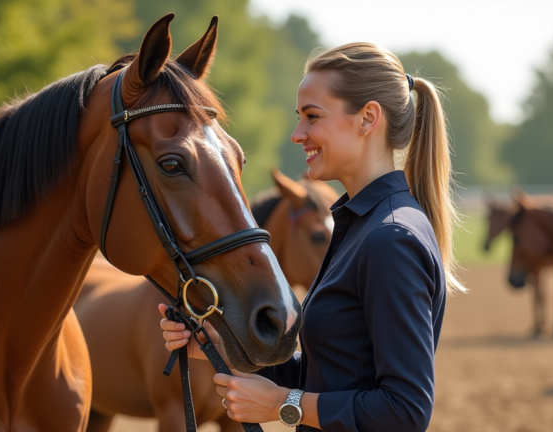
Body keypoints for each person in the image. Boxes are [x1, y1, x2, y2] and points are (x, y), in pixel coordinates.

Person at [158, 42, 463, 432]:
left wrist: (281, 405)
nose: (297, 134)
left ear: (368, 118)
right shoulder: (361, 226)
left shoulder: (391, 239)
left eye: (312, 116)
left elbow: (404, 412)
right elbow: (334, 376)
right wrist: (221, 348)